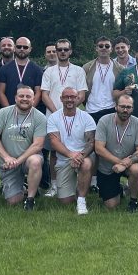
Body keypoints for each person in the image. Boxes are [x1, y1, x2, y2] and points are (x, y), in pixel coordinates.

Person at [0, 86, 46, 210]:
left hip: (27, 159)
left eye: (28, 96)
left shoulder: (40, 117)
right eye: (21, 96)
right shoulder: (4, 112)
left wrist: (17, 161)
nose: (24, 99)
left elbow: (38, 145)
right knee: (13, 201)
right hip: (8, 162)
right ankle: (26, 186)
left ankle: (30, 199)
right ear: (15, 98)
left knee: (35, 161)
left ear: (33, 99)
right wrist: (6, 157)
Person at [46, 87, 96, 215]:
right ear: (61, 99)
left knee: (86, 164)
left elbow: (91, 142)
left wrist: (80, 156)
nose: (69, 99)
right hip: (64, 159)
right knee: (65, 201)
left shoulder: (86, 117)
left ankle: (81, 200)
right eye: (66, 97)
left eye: (73, 97)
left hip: (82, 157)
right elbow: (54, 141)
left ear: (77, 98)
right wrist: (71, 155)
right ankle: (77, 187)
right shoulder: (53, 118)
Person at [94, 95, 138, 212]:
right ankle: (120, 189)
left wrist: (127, 163)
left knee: (136, 169)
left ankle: (133, 201)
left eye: (129, 107)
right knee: (111, 205)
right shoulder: (104, 121)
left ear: (132, 109)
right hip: (107, 167)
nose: (125, 110)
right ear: (115, 107)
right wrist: (119, 162)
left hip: (129, 163)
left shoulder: (137, 123)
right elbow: (99, 148)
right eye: (122, 106)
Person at [83, 36, 125, 122]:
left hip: (112, 109)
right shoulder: (87, 68)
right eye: (101, 46)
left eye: (107, 46)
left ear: (111, 49)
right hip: (92, 110)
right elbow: (83, 90)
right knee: (91, 136)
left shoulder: (120, 69)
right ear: (96, 48)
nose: (104, 48)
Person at [41, 39, 88, 113]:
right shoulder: (48, 71)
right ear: (56, 52)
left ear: (70, 51)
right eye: (60, 49)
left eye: (66, 49)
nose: (63, 52)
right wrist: (57, 113)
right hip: (52, 115)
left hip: (72, 114)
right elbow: (44, 96)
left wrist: (68, 110)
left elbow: (81, 95)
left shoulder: (79, 70)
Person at [0, 36, 42, 107]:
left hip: (30, 111)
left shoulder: (37, 70)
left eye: (25, 47)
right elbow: (0, 92)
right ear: (14, 48)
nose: (22, 49)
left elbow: (38, 93)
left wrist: (29, 110)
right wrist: (9, 111)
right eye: (19, 47)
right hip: (9, 110)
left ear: (30, 49)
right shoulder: (4, 69)